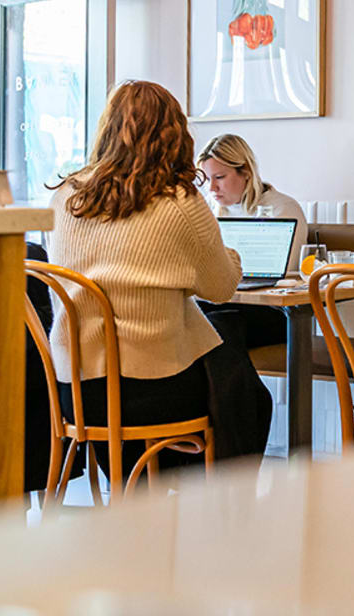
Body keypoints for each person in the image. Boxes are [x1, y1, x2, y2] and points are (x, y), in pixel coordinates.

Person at [46, 81, 270, 478]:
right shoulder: (179, 201)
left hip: (74, 392)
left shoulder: (65, 195)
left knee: (229, 367)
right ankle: (224, 505)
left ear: (107, 129)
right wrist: (231, 255)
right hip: (149, 392)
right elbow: (221, 288)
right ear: (175, 135)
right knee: (248, 394)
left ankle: (140, 486)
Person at [197, 133, 309, 350]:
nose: (211, 189)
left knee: (215, 327)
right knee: (196, 320)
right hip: (224, 305)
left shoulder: (282, 209)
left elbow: (284, 275)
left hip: (272, 312)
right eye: (207, 179)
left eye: (219, 177)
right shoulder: (209, 211)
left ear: (246, 172)